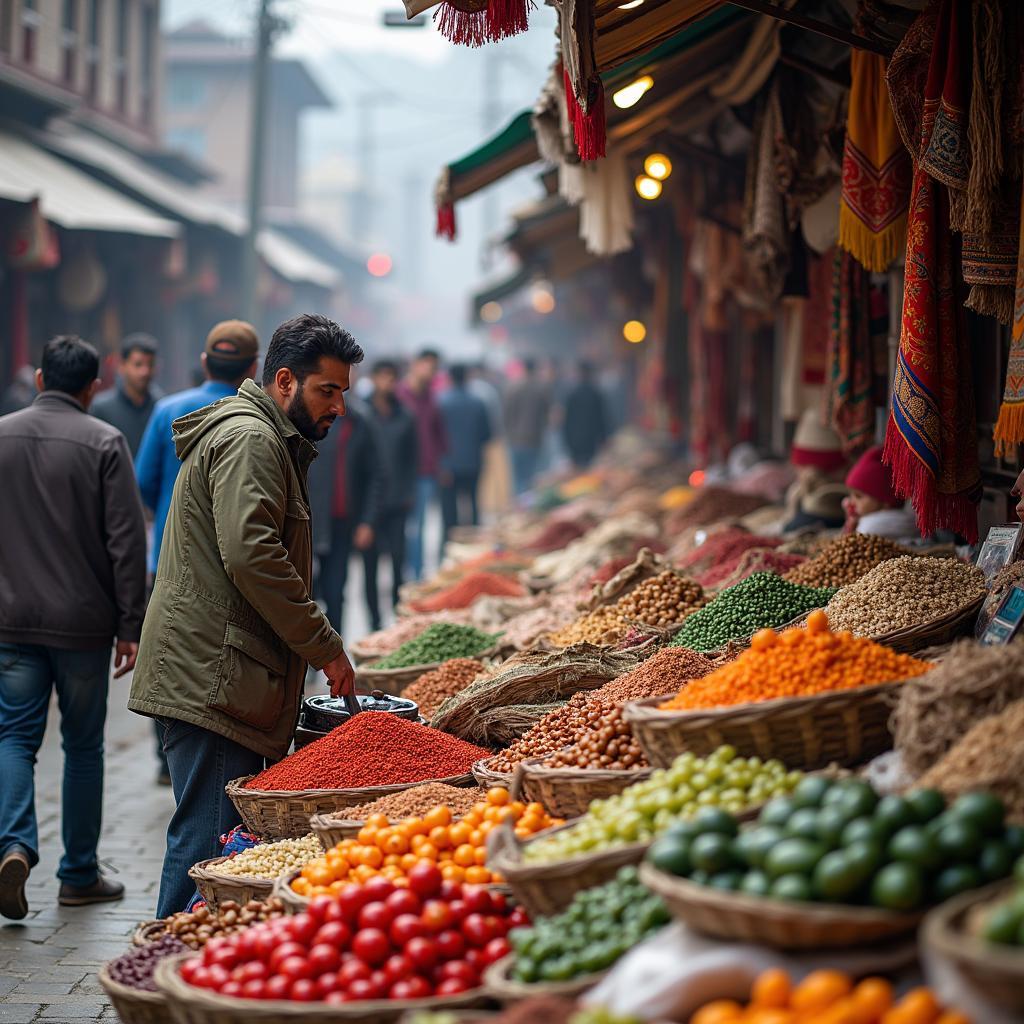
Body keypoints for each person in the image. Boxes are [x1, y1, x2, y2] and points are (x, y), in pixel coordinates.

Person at [128, 313, 361, 917]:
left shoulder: (265, 437)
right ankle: (169, 970)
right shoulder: (253, 441)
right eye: (326, 391)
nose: (338, 407)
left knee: (213, 833)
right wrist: (324, 644)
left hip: (224, 669)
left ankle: (179, 961)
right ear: (284, 381)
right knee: (206, 837)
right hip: (213, 678)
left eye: (342, 392)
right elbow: (252, 554)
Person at [0, 336, 146, 920]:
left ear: (39, 379)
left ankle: (13, 843)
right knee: (83, 746)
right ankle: (78, 874)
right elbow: (126, 542)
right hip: (84, 627)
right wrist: (131, 623)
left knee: (14, 737)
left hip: (11, 621)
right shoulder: (105, 441)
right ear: (93, 388)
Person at [134, 320, 259, 785]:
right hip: (232, 564)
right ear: (253, 367)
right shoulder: (252, 417)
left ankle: (167, 753)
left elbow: (144, 483)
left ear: (204, 361)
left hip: (168, 561)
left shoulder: (169, 409)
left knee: (169, 651)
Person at [308, 394, 383, 636]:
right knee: (303, 593)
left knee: (336, 591)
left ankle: (332, 651)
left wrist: (367, 521)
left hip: (342, 522)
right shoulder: (304, 419)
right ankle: (303, 658)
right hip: (306, 521)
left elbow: (374, 475)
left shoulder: (359, 421)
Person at [363, 360, 418, 626]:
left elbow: (412, 459)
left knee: (398, 561)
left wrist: (409, 492)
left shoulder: (405, 416)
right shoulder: (362, 414)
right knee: (369, 567)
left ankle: (398, 617)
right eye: (382, 377)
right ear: (373, 379)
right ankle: (374, 622)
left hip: (397, 501)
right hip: (369, 506)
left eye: (391, 377)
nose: (387, 382)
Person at [397, 349, 447, 579]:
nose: (431, 372)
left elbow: (438, 434)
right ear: (415, 364)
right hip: (402, 472)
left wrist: (441, 463)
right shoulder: (399, 395)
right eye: (428, 365)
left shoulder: (432, 397)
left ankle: (415, 575)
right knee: (406, 527)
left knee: (419, 525)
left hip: (426, 470)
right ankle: (405, 572)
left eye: (435, 368)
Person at [439, 365, 492, 539]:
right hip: (473, 462)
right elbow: (487, 434)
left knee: (449, 510)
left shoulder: (440, 402)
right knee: (473, 504)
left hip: (447, 465)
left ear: (449, 377)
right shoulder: (478, 402)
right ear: (467, 377)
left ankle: (450, 544)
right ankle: (475, 541)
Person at [91, 333, 161, 457]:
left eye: (150, 365)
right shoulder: (100, 409)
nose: (145, 371)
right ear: (122, 366)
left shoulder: (161, 407)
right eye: (138, 364)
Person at [843, 445, 920, 541]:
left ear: (885, 501)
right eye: (851, 495)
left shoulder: (871, 525)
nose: (851, 502)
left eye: (858, 496)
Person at [503, 358, 551, 495]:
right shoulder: (542, 388)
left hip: (515, 439)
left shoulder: (513, 387)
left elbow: (506, 414)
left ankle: (519, 506)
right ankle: (529, 505)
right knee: (532, 476)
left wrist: (509, 433)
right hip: (534, 439)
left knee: (517, 477)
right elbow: (547, 414)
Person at [563, 360, 609, 470]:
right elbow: (602, 418)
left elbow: (567, 421)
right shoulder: (596, 394)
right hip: (591, 440)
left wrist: (567, 441)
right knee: (588, 469)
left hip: (575, 441)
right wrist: (603, 438)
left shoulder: (572, 394)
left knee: (578, 471)